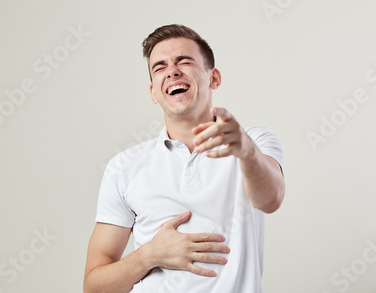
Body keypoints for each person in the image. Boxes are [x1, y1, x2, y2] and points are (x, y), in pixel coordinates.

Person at [83, 24, 285, 293]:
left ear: (213, 78)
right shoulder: (123, 167)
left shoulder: (256, 142)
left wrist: (246, 151)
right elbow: (94, 287)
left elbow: (270, 200)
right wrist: (149, 255)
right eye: (160, 67)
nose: (172, 71)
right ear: (154, 92)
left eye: (184, 61)